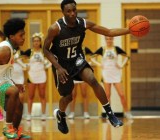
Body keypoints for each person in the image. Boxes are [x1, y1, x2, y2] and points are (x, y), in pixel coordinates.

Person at [43, 0, 130, 134]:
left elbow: (109, 32)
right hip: (61, 64)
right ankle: (61, 114)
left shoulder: (83, 24)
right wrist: (58, 67)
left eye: (74, 10)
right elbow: (45, 50)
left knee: (93, 80)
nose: (72, 13)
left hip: (77, 60)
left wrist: (129, 30)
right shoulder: (55, 28)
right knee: (68, 97)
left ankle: (110, 114)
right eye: (68, 11)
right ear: (63, 12)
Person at [92, 36, 132, 119]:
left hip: (116, 74)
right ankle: (109, 114)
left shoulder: (116, 49)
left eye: (110, 39)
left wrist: (121, 65)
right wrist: (100, 64)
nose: (109, 40)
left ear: (113, 39)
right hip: (106, 74)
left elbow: (127, 57)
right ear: (105, 40)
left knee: (121, 94)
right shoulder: (102, 49)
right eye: (107, 39)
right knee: (107, 95)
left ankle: (127, 113)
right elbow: (92, 58)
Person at [23, 32, 51, 121]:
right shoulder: (29, 52)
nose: (36, 42)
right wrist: (25, 65)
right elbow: (17, 59)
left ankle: (43, 114)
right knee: (30, 96)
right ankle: (29, 114)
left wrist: (48, 65)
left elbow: (52, 60)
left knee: (42, 95)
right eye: (34, 41)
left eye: (38, 41)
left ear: (40, 42)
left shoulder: (44, 52)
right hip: (31, 76)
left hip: (42, 76)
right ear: (32, 42)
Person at [68, 46, 93, 119]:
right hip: (73, 73)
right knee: (72, 95)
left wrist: (89, 63)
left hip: (82, 74)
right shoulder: (71, 49)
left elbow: (93, 55)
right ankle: (72, 113)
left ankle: (86, 112)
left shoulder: (85, 49)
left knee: (84, 93)